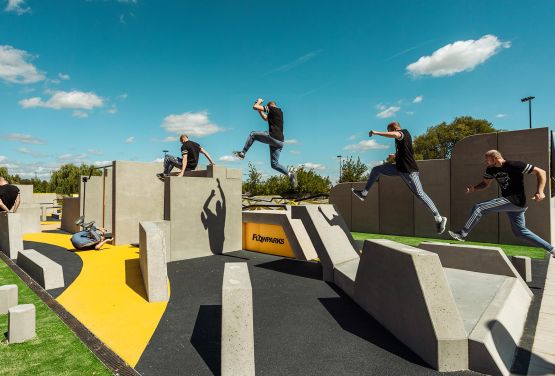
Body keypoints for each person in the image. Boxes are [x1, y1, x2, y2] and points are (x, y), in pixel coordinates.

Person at [449, 150, 555, 257]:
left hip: (515, 200)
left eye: (487, 159)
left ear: (495, 158)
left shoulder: (514, 165)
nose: (486, 161)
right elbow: (485, 184)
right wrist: (474, 188)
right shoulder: (491, 169)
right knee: (520, 232)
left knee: (479, 208)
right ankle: (552, 249)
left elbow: (541, 172)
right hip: (513, 205)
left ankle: (462, 234)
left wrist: (540, 191)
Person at [351, 121, 447, 234]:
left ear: (393, 129)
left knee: (420, 193)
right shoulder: (403, 139)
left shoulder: (402, 133)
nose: (389, 133)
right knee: (376, 170)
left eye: (389, 131)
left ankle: (439, 219)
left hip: (410, 171)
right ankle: (364, 193)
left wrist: (376, 132)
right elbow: (408, 152)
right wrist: (395, 155)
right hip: (399, 169)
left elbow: (396, 135)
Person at [232, 98, 297, 188]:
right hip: (280, 142)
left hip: (273, 137)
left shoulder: (272, 108)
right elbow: (265, 118)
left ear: (270, 106)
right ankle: (290, 174)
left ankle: (243, 152)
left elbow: (255, 107)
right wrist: (259, 110)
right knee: (274, 164)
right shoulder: (279, 112)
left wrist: (258, 102)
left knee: (253, 134)